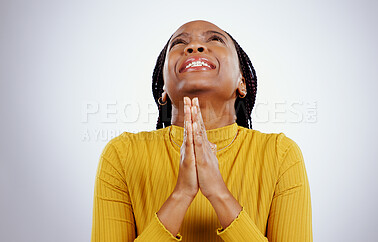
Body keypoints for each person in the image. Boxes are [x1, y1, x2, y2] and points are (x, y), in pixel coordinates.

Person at [91, 20, 313, 242]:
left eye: (214, 39)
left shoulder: (281, 155)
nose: (194, 47)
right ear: (164, 89)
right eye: (179, 43)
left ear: (242, 82)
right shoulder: (122, 154)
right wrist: (181, 194)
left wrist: (218, 193)